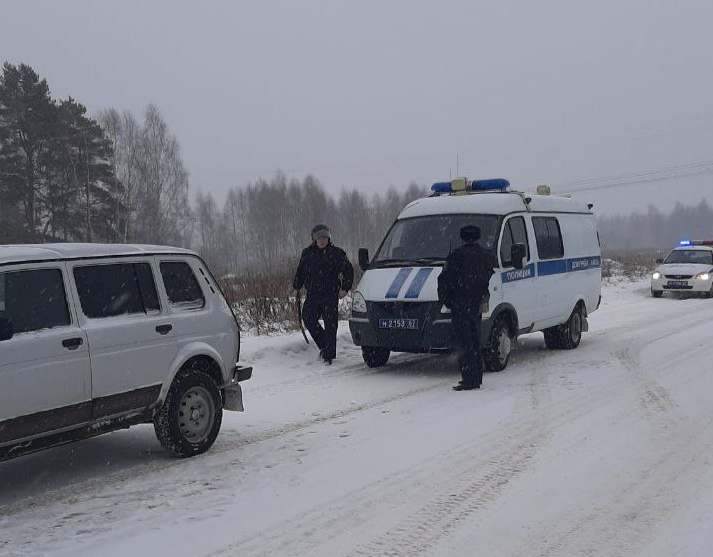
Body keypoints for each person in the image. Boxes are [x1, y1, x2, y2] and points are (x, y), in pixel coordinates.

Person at [437, 224, 497, 391]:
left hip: (460, 303)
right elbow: (488, 276)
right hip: (477, 302)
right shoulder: (486, 255)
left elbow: (444, 280)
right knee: (476, 339)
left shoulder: (456, 256)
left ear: (462, 238)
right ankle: (477, 377)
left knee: (464, 342)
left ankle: (468, 379)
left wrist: (446, 300)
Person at [293, 224, 354, 364]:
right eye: (319, 237)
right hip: (313, 293)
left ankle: (328, 356)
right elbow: (301, 271)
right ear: (314, 239)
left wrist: (345, 288)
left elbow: (348, 271)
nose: (322, 240)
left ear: (329, 238)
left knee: (330, 324)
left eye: (325, 237)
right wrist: (297, 285)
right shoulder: (307, 253)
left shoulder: (337, 253)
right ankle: (325, 346)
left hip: (330, 293)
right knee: (308, 317)